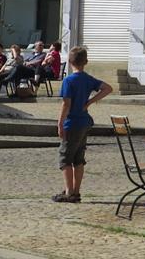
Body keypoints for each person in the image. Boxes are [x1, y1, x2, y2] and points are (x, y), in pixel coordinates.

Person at [53, 45, 112, 204]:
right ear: (85, 62)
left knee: (65, 158)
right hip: (85, 122)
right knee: (79, 158)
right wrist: (90, 102)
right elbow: (107, 88)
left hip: (72, 122)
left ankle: (69, 192)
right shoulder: (88, 79)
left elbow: (66, 104)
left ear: (70, 61)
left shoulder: (68, 80)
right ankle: (76, 191)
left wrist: (60, 123)